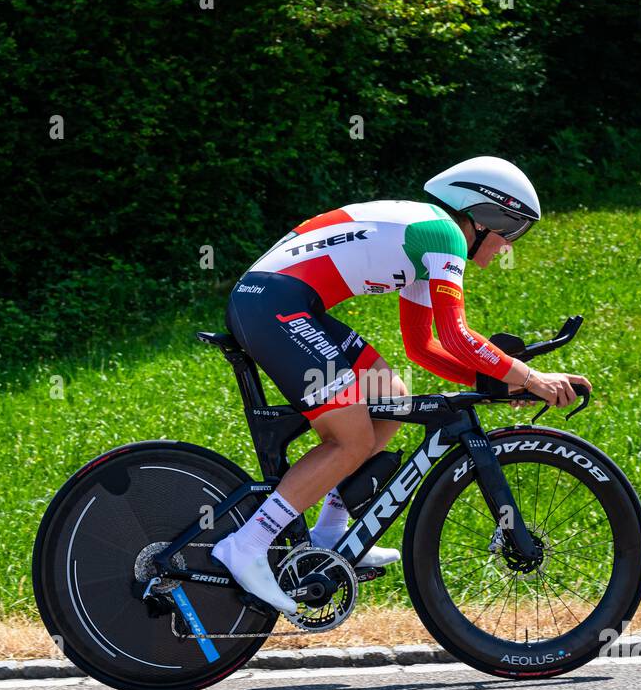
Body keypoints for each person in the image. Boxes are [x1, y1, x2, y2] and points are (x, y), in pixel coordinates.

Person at [212, 156, 592, 613]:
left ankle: (332, 532)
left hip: (285, 304)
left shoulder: (426, 239)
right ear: (486, 215)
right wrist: (530, 376)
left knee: (391, 398)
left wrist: (496, 382)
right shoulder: (445, 236)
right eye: (512, 230)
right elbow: (457, 336)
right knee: (349, 441)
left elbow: (423, 346)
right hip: (274, 307)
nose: (508, 245)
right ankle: (247, 545)